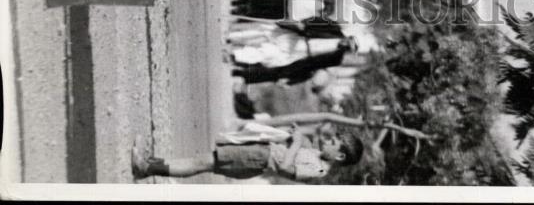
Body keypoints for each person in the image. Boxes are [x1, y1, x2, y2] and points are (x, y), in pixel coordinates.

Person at [131, 122, 362, 181]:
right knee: (203, 159)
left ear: (340, 156)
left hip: (258, 160)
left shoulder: (320, 170)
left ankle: (147, 167)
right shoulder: (318, 157)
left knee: (202, 162)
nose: (329, 140)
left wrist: (296, 142)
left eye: (334, 141)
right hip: (258, 154)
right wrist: (294, 138)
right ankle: (151, 164)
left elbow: (285, 168)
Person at [232, 38, 357, 87]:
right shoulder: (333, 35)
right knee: (271, 56)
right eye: (347, 41)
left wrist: (302, 71)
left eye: (348, 47)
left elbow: (317, 64)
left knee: (277, 72)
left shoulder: (336, 59)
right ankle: (240, 61)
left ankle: (242, 74)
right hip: (299, 44)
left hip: (304, 62)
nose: (345, 44)